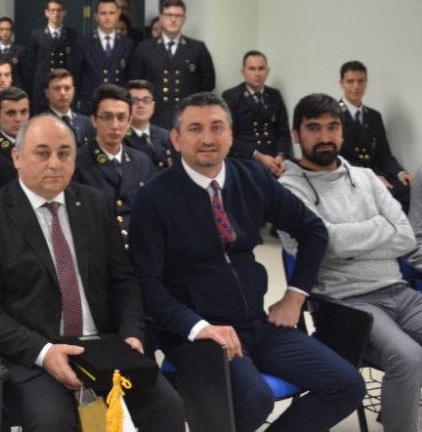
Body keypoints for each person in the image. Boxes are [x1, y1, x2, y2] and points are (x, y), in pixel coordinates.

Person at [128, 92, 364, 432]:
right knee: (254, 400)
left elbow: (312, 230)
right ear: (176, 139)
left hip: (256, 323)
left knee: (347, 385)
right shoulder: (154, 197)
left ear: (230, 134)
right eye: (195, 129)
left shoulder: (252, 177)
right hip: (195, 334)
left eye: (217, 127)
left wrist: (295, 295)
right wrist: (198, 327)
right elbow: (146, 284)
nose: (207, 138)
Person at [0, 114, 185, 431]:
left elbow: (123, 281)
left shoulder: (95, 203)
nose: (54, 163)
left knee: (167, 406)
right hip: (33, 351)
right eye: (42, 153)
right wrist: (44, 352)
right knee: (55, 423)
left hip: (103, 345)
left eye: (64, 153)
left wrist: (131, 334)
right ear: (17, 157)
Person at [278, 93, 422, 432]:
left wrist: (345, 240)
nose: (325, 136)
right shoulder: (287, 190)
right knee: (409, 357)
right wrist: (379, 227)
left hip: (397, 292)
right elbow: (322, 245)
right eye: (314, 128)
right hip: (346, 306)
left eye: (333, 127)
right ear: (297, 134)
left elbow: (405, 238)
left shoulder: (367, 177)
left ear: (342, 132)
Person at [75, 84, 155, 246]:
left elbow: (152, 210)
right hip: (99, 247)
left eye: (121, 117)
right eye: (107, 117)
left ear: (129, 121)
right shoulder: (77, 161)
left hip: (139, 245)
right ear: (94, 120)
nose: (115, 126)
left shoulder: (142, 161)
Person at [126, 0, 215, 129]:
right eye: (169, 15)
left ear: (184, 19)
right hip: (154, 117)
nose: (173, 19)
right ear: (161, 18)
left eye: (178, 16)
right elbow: (135, 83)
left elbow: (208, 83)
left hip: (187, 116)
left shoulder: (197, 48)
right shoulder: (144, 48)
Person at [337, 60, 412, 210]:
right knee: (387, 197)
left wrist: (400, 172)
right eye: (350, 81)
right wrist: (370, 178)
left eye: (360, 81)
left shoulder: (373, 116)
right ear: (341, 83)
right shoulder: (333, 114)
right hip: (351, 178)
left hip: (379, 174)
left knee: (411, 188)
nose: (356, 86)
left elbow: (384, 154)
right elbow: (337, 160)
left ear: (366, 83)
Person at [221, 50, 291, 176]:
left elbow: (283, 132)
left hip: (275, 158)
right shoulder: (231, 96)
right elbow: (228, 136)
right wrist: (259, 156)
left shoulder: (275, 95)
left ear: (267, 71)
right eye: (252, 69)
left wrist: (280, 156)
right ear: (243, 72)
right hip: (245, 158)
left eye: (261, 69)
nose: (257, 74)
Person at [74, 0, 135, 108]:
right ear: (96, 16)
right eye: (103, 13)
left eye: (111, 13)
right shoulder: (83, 42)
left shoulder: (127, 44)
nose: (107, 17)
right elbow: (76, 76)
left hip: (118, 103)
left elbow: (130, 77)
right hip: (90, 104)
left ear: (118, 15)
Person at [27, 0, 79, 113]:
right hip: (42, 89)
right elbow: (31, 65)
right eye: (52, 10)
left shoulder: (72, 34)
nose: (56, 13)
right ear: (46, 13)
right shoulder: (37, 35)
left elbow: (76, 64)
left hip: (63, 87)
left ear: (64, 13)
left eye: (59, 10)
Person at [123, 79, 175, 170]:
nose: (141, 105)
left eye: (146, 100)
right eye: (134, 101)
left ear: (153, 105)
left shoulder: (165, 136)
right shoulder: (119, 137)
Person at [44, 69, 92, 146]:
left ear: (73, 91)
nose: (62, 93)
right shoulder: (40, 123)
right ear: (47, 93)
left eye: (67, 88)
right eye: (57, 88)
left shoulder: (86, 122)